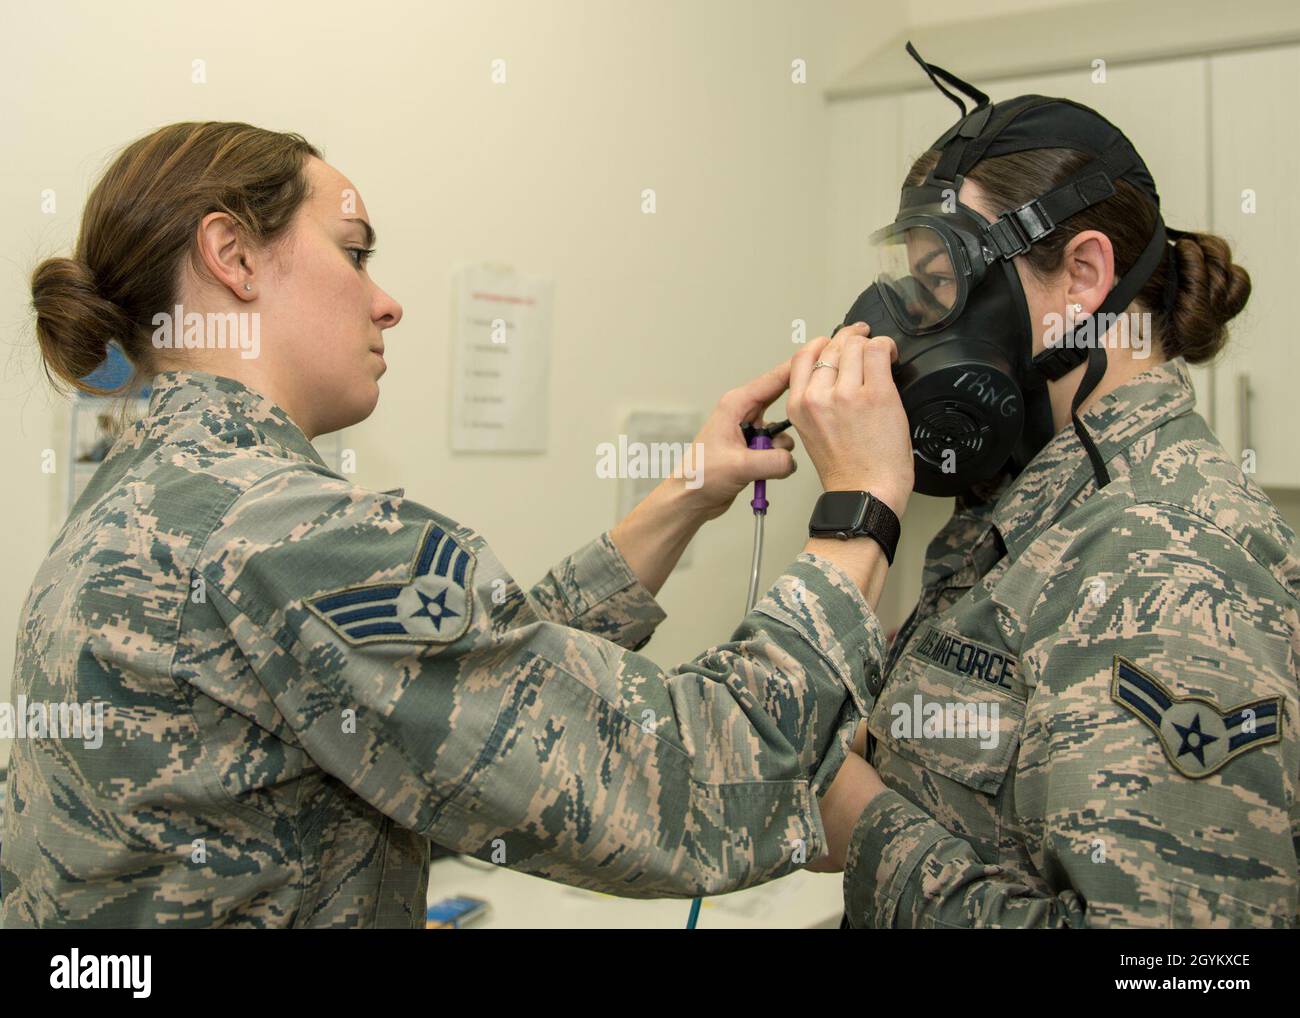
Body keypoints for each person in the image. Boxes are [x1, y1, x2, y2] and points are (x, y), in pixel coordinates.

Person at [0, 121, 901, 928]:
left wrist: (686, 495)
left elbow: (466, 687)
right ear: (232, 254)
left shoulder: (146, 500)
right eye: (354, 253)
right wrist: (861, 501)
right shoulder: (278, 531)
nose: (385, 301)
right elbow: (701, 771)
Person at [824, 52, 1299, 927]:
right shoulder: (1027, 515)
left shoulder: (1168, 565)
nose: (917, 330)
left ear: (1083, 277)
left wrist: (867, 829)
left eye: (944, 285)